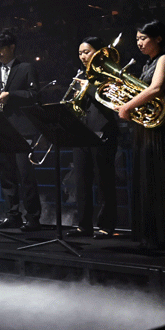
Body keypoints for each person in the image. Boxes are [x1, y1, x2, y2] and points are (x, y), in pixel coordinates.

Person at [117, 20, 165, 250]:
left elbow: (156, 89)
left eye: (143, 38)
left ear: (158, 38)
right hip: (147, 129)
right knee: (147, 178)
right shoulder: (146, 64)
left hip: (163, 128)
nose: (139, 43)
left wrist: (127, 106)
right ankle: (150, 235)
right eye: (137, 38)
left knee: (161, 179)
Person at [0, 30, 42, 231]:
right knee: (7, 176)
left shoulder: (26, 68)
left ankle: (33, 217)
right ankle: (13, 214)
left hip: (23, 130)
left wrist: (12, 95)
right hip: (3, 129)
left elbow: (34, 94)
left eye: (1, 48)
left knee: (26, 175)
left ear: (12, 47)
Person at [68, 37, 119, 239]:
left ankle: (106, 226)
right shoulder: (82, 74)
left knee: (104, 181)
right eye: (80, 52)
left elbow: (108, 99)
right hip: (82, 133)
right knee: (81, 181)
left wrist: (86, 87)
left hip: (103, 131)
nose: (82, 56)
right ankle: (84, 225)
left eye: (86, 52)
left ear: (98, 52)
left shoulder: (109, 72)